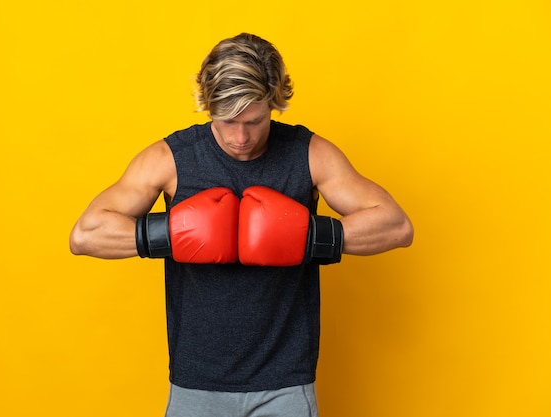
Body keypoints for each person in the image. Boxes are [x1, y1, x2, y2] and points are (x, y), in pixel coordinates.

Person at [69, 33, 413, 417]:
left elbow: (396, 226)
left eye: (255, 120)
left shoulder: (310, 154)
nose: (241, 137)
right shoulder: (172, 159)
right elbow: (86, 235)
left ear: (274, 103)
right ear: (207, 104)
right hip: (195, 382)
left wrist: (309, 236)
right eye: (227, 121)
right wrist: (173, 232)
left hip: (286, 382)